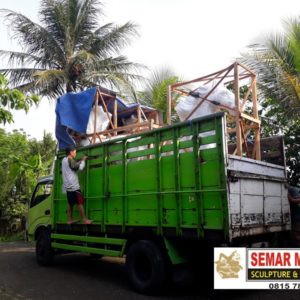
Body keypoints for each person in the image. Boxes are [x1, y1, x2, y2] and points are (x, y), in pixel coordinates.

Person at [62, 145, 92, 225]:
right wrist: (84, 160)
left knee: (70, 203)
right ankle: (84, 220)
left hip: (68, 186)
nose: (75, 153)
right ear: (71, 152)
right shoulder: (70, 159)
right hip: (74, 186)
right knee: (80, 202)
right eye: (75, 152)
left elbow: (73, 165)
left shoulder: (64, 160)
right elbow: (79, 168)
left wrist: (80, 160)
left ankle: (69, 219)